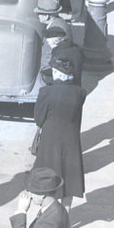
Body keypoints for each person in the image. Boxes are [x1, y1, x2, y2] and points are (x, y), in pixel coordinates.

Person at [33, 64, 86, 203]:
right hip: (71, 141)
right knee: (70, 182)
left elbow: (38, 119)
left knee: (48, 178)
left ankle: (50, 213)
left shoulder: (46, 92)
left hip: (50, 141)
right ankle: (65, 217)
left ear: (56, 75)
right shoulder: (80, 92)